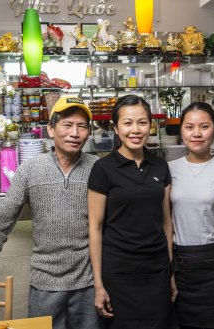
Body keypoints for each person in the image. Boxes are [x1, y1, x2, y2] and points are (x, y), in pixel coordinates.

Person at [0, 96, 105, 329]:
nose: (74, 133)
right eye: (67, 125)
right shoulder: (29, 170)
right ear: (50, 129)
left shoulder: (98, 168)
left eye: (82, 126)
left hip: (89, 284)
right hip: (45, 284)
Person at [87, 94, 176, 329]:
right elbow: (95, 229)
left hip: (156, 270)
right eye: (127, 123)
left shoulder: (160, 166)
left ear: (150, 125)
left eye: (142, 122)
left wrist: (170, 271)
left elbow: (166, 223)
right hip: (119, 271)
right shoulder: (103, 169)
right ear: (116, 128)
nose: (135, 130)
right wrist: (98, 284)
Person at [168, 102, 214, 329]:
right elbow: (165, 225)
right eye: (190, 127)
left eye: (204, 126)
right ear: (181, 131)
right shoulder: (168, 170)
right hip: (181, 267)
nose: (197, 134)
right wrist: (169, 272)